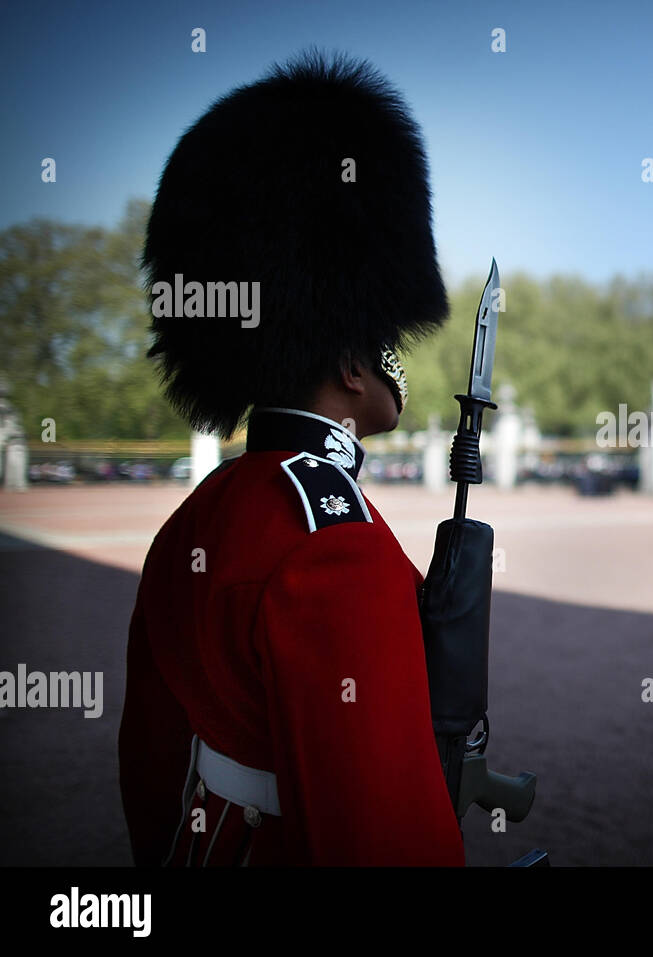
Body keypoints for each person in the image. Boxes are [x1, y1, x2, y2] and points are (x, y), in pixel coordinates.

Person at [118, 52, 464, 866]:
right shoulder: (333, 541)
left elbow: (150, 765)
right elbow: (385, 837)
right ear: (351, 361)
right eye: (385, 338)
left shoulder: (200, 514)